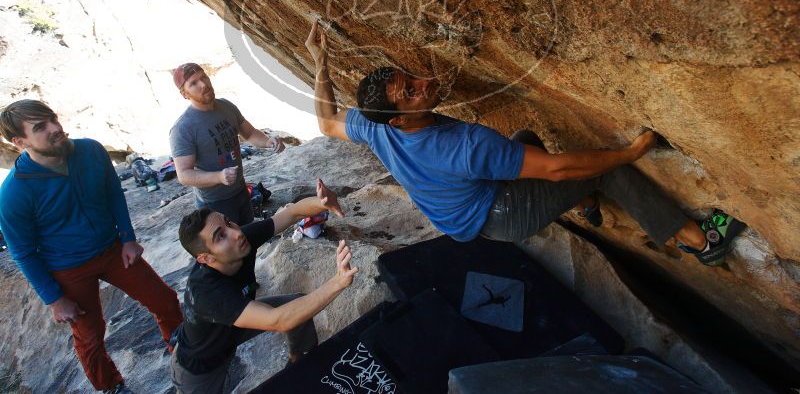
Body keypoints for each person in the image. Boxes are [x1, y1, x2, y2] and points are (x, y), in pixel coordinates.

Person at [304, 21, 744, 266]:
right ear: (400, 117)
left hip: (464, 212)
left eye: (411, 78)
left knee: (524, 142)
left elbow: (326, 122)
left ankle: (586, 204)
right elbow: (556, 169)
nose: (423, 83)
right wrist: (632, 151)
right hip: (501, 216)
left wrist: (319, 62)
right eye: (411, 92)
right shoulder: (464, 145)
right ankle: (702, 243)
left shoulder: (376, 125)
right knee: (608, 168)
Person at [0, 100, 183, 394]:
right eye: (41, 127)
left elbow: (113, 192)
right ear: (20, 142)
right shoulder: (14, 191)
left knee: (164, 299)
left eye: (53, 119)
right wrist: (55, 299)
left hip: (112, 249)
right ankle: (111, 387)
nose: (55, 128)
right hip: (67, 269)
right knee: (89, 336)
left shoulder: (90, 150)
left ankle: (184, 353)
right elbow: (22, 251)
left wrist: (127, 238)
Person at [171, 178, 356, 394]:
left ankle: (298, 363)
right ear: (206, 259)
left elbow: (292, 213)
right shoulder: (206, 292)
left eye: (228, 223)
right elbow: (278, 320)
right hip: (201, 367)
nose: (236, 232)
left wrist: (321, 202)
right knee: (287, 315)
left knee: (297, 307)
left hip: (234, 325)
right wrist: (337, 282)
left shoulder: (241, 240)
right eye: (220, 236)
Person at [169, 62, 286, 225]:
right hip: (214, 202)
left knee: (248, 239)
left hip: (240, 189)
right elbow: (184, 175)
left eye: (204, 77)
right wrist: (219, 177)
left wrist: (268, 141)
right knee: (232, 247)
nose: (203, 84)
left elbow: (249, 133)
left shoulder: (225, 106)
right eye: (194, 83)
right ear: (184, 94)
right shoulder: (183, 128)